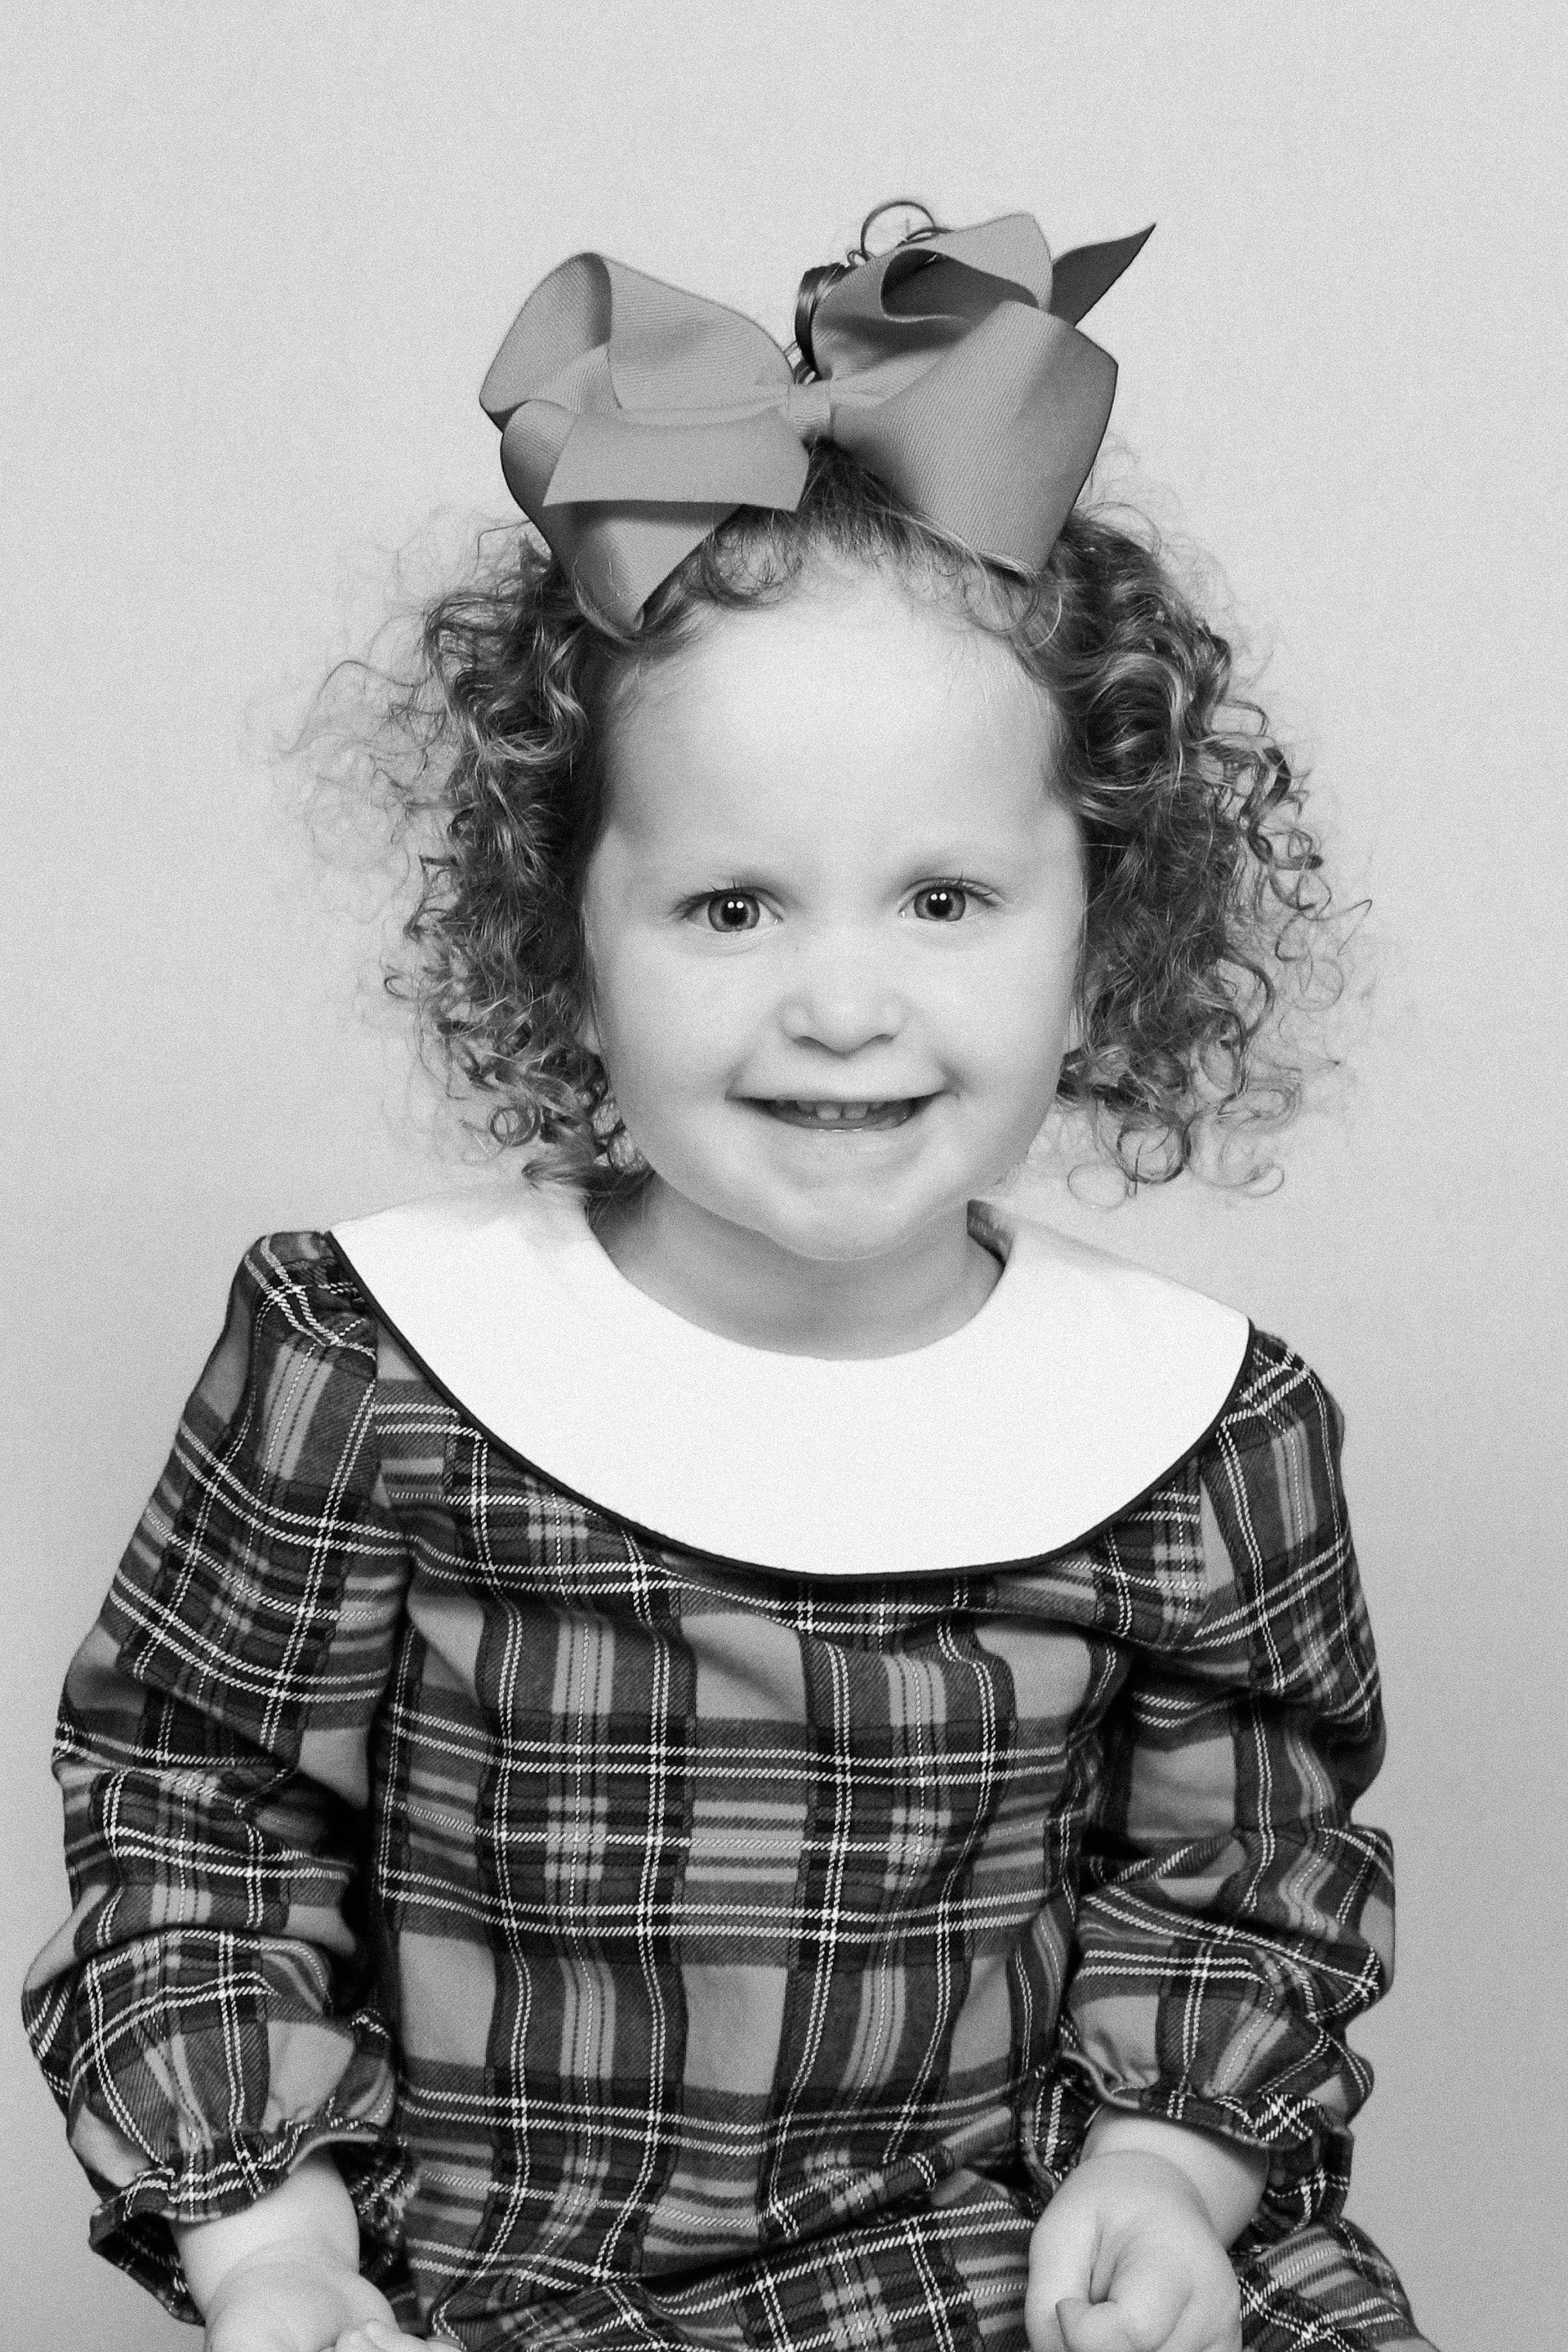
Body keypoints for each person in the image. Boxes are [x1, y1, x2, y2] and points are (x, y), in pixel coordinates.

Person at [23, 207, 1434, 2352]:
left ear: (1102, 925)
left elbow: (1245, 1884)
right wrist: (273, 2245)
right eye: (733, 906)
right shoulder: (376, 1369)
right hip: (523, 2289)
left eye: (945, 898)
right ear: (568, 933)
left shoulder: (1197, 1432)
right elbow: (192, 1829)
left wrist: (1168, 2169)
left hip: (999, 2263)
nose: (843, 1006)